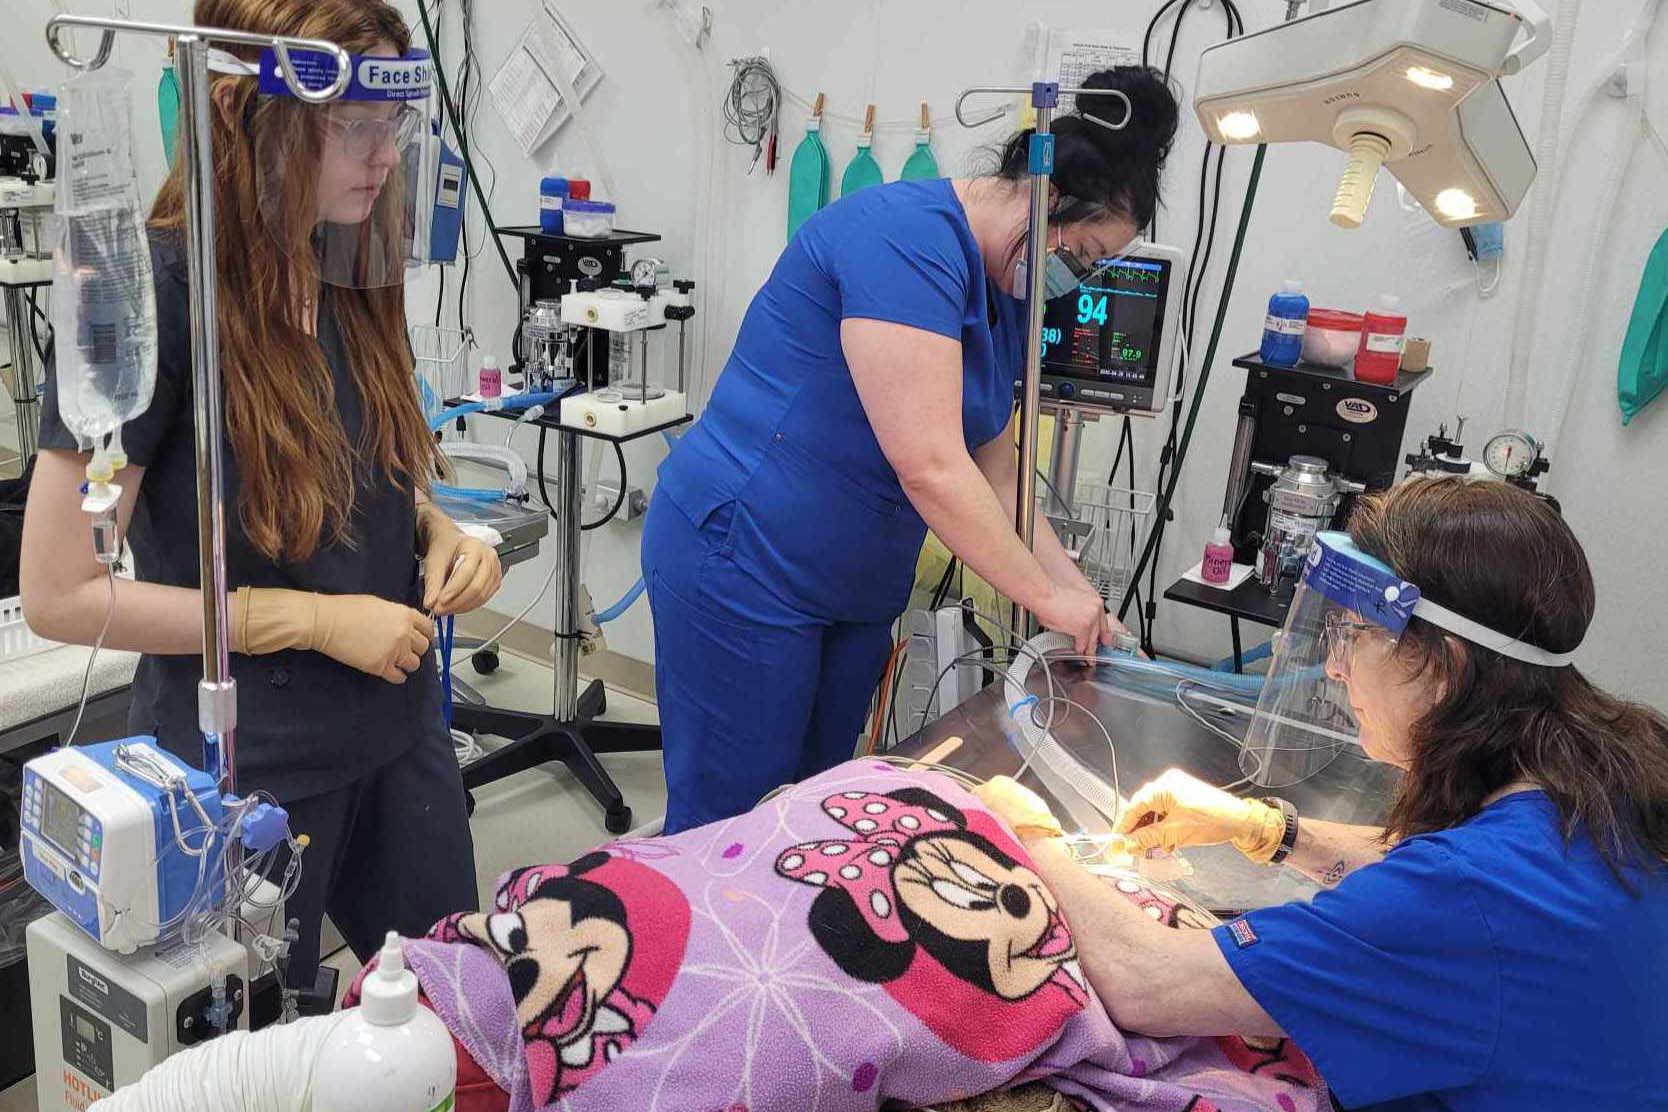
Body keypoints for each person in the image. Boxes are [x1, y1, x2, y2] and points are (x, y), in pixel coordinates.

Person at [21, 0, 500, 995]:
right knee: (256, 1041)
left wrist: (437, 527)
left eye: (393, 127)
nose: (382, 158)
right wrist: (307, 618)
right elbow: (64, 590)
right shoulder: (151, 291)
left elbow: (358, 467)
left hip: (398, 725)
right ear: (254, 120)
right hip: (250, 760)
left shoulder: (350, 259)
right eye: (352, 127)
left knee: (459, 1003)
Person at [976, 477, 1668, 1110]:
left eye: (1351, 635)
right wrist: (1264, 828)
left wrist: (1026, 833)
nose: (1334, 668)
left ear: (1444, 666)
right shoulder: (1606, 784)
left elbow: (1144, 980)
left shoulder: (1465, 896)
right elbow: (1456, 887)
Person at [641, 67, 1180, 833]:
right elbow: (930, 466)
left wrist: (1079, 598)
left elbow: (998, 473)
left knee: (809, 817)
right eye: (1084, 253)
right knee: (729, 825)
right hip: (745, 559)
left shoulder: (1005, 293)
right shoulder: (905, 240)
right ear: (1045, 198)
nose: (1077, 278)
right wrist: (1041, 597)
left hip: (851, 587)